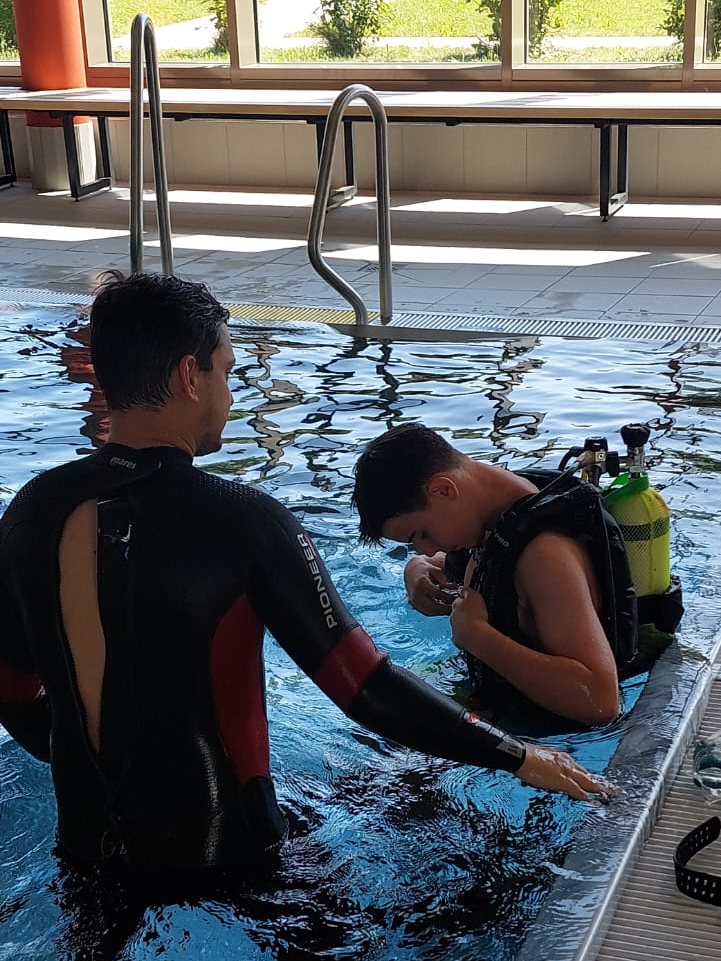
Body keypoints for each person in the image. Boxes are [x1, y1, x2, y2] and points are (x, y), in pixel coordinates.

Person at [0, 273, 609, 878]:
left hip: (85, 856)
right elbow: (363, 687)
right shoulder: (245, 523)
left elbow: (11, 692)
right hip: (233, 858)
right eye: (227, 370)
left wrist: (96, 769)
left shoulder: (31, 511)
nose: (232, 395)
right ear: (190, 376)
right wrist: (515, 755)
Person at [352, 423, 636, 728]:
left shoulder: (545, 556)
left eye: (422, 534)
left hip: (547, 741)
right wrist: (418, 567)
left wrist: (479, 637)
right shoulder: (495, 515)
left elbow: (601, 701)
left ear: (444, 489)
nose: (425, 547)